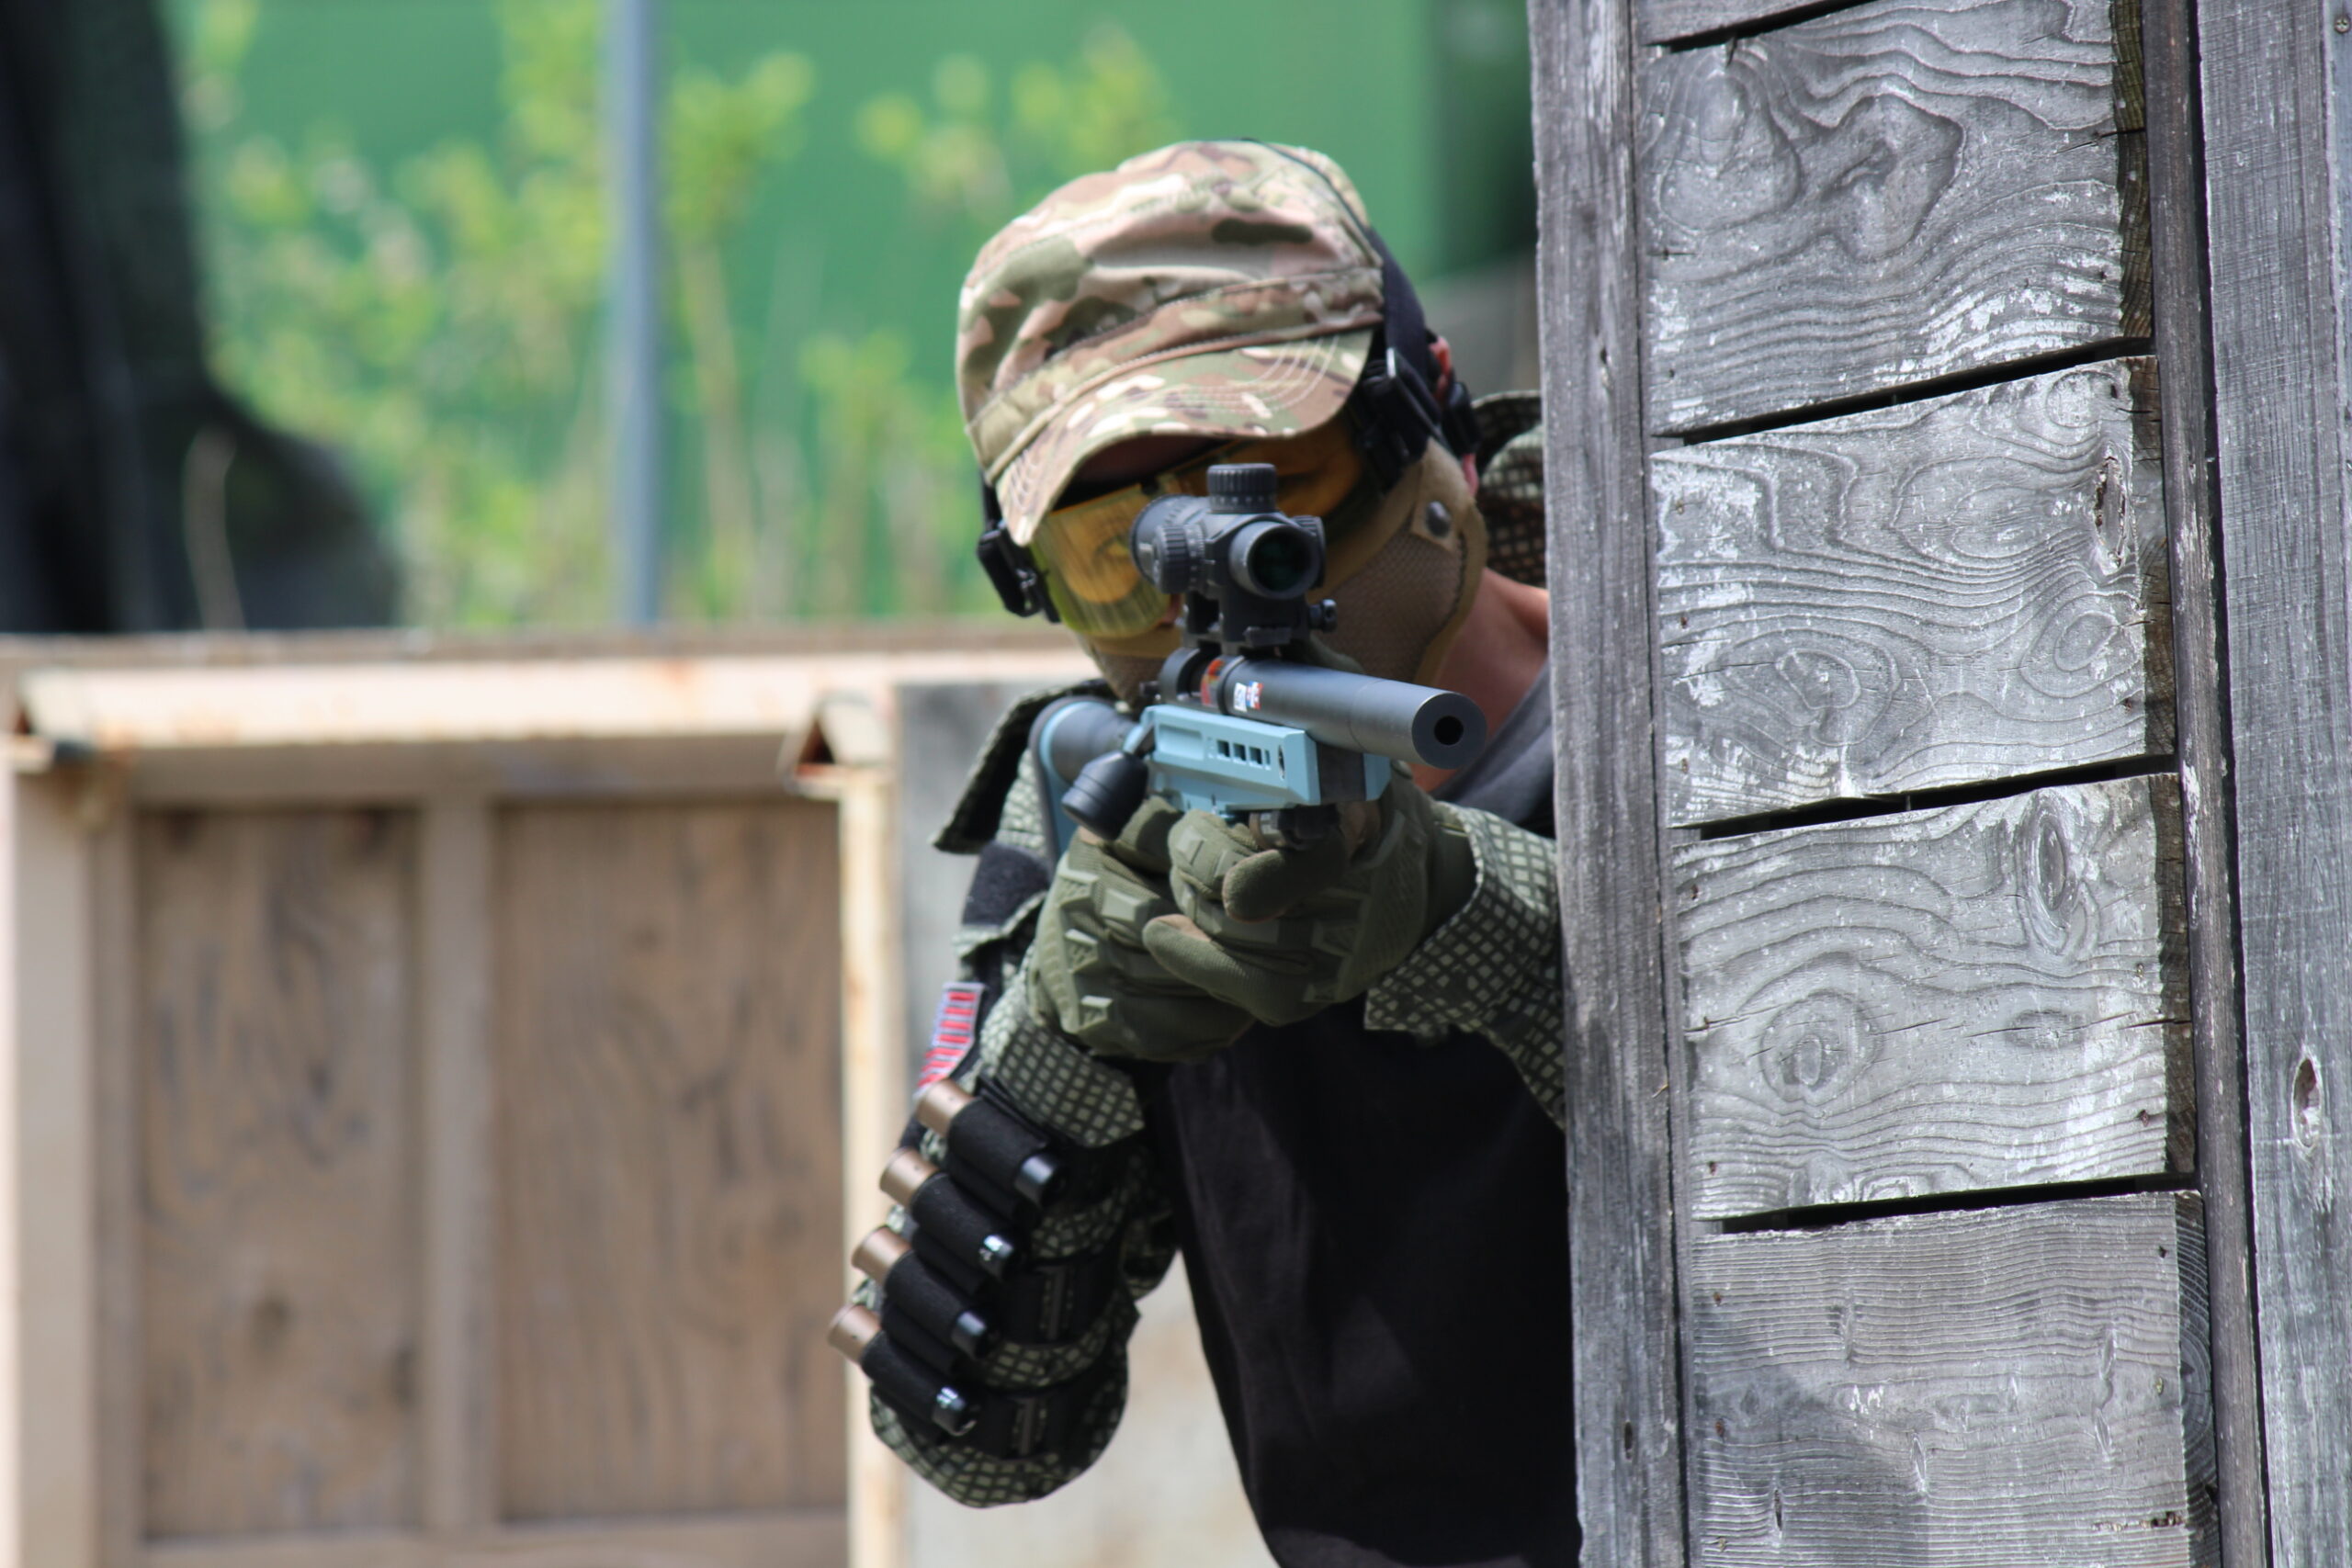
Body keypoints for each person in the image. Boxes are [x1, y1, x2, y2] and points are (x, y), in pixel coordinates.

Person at [842, 140, 1573, 1568]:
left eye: (1275, 486)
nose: (1209, 586)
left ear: (1427, 408)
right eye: (1114, 553)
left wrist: (1466, 917)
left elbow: (1846, 1107)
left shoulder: (1705, 680)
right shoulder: (1105, 810)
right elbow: (973, 1433)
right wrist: (1065, 1042)